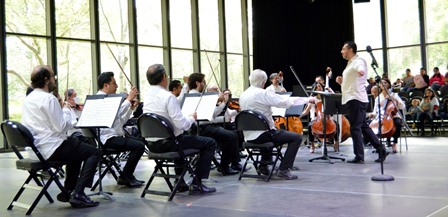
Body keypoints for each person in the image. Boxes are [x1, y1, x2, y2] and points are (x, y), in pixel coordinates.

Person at [22, 65, 100, 208]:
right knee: (95, 152)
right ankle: (79, 193)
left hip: (36, 150)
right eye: (53, 77)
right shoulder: (48, 99)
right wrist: (65, 110)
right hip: (51, 148)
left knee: (76, 149)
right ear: (46, 80)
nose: (54, 80)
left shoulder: (29, 98)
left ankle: (68, 191)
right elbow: (62, 126)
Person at [143, 64, 217, 194]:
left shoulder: (147, 96)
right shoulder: (168, 97)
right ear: (164, 77)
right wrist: (192, 118)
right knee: (209, 143)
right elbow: (182, 124)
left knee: (179, 138)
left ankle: (180, 182)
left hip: (152, 145)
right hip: (170, 144)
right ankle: (197, 182)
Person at [239, 69, 315, 180]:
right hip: (263, 136)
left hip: (248, 136)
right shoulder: (263, 93)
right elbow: (285, 102)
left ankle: (264, 166)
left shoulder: (243, 95)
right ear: (264, 82)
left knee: (271, 131)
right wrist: (307, 99)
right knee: (296, 137)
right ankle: (283, 169)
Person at [335, 41, 389, 164]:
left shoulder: (358, 61)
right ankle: (381, 150)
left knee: (355, 128)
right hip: (354, 98)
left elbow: (361, 68)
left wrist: (361, 71)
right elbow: (352, 81)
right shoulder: (350, 63)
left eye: (343, 49)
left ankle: (359, 156)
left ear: (350, 50)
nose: (341, 51)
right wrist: (342, 81)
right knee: (363, 127)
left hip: (356, 99)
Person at [97, 72, 145, 188]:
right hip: (107, 139)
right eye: (114, 83)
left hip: (115, 135)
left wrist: (130, 109)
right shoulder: (101, 99)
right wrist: (128, 99)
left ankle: (127, 175)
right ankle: (125, 176)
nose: (117, 86)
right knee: (139, 146)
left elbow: (119, 121)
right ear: (106, 85)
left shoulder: (109, 99)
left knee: (141, 142)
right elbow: (116, 114)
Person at [188, 73, 241, 175]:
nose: (205, 84)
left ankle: (229, 164)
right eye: (204, 82)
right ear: (197, 83)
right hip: (201, 127)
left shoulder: (198, 95)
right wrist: (217, 101)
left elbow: (212, 115)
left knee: (233, 134)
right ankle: (224, 167)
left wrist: (223, 103)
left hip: (205, 126)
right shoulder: (195, 96)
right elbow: (205, 118)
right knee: (231, 136)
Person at [368, 78, 405, 153]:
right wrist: (372, 114)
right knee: (369, 124)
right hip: (381, 116)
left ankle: (394, 143)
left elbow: (402, 106)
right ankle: (378, 144)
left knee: (397, 123)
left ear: (389, 84)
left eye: (385, 83)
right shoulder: (378, 97)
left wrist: (393, 99)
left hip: (393, 116)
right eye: (381, 83)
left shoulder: (394, 95)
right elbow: (375, 111)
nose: (383, 84)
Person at [301, 82, 340, 153]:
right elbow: (306, 111)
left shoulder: (326, 98)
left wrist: (330, 116)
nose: (319, 88)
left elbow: (334, 105)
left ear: (322, 88)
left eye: (320, 86)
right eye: (317, 87)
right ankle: (312, 145)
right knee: (310, 126)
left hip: (328, 118)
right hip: (316, 118)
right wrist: (299, 115)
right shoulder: (313, 99)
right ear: (314, 89)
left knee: (337, 125)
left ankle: (336, 143)